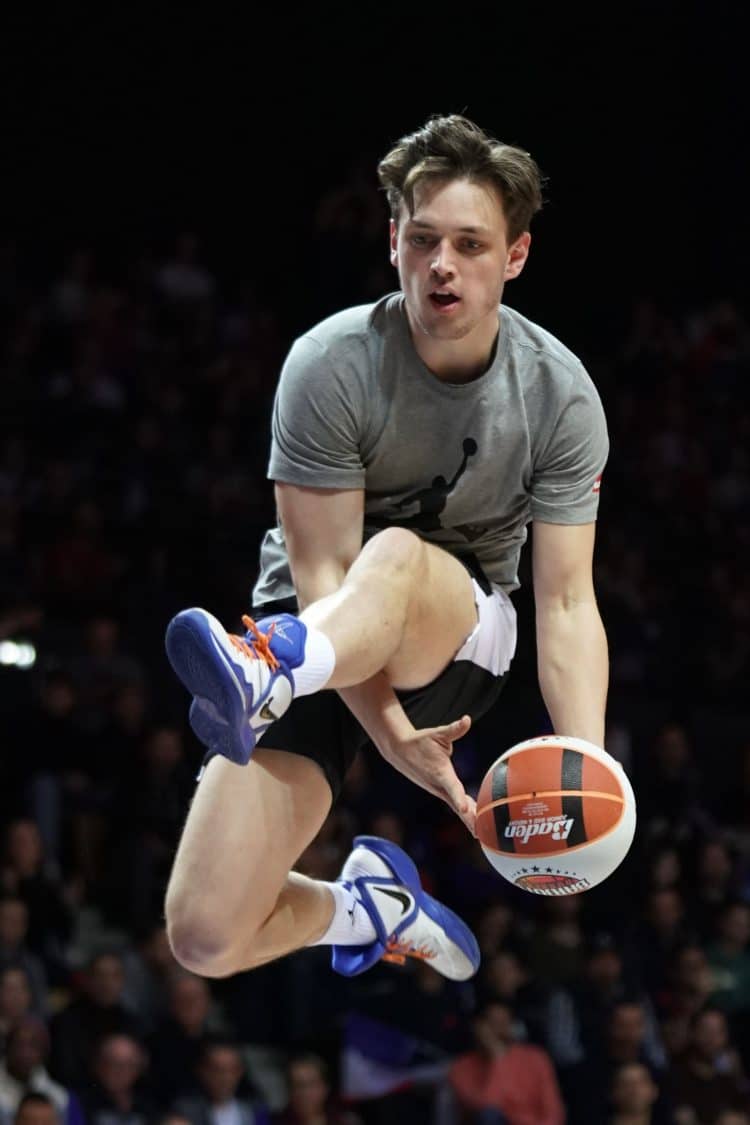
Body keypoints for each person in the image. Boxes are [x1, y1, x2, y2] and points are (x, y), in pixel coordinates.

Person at [163, 113, 610, 983]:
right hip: (317, 631)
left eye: (472, 244)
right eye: (425, 238)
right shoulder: (328, 363)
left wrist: (584, 760)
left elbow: (564, 602)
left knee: (397, 554)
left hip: (458, 633)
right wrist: (391, 733)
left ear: (514, 256)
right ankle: (369, 908)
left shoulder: (560, 395)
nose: (444, 264)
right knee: (205, 935)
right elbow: (324, 576)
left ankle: (266, 670)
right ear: (394, 239)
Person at [448, 999, 565, 1124]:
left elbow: (553, 1111)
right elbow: (487, 1106)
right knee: (489, 1115)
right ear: (478, 1027)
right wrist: (497, 1057)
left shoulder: (535, 1058)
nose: (499, 1029)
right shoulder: (461, 1067)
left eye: (504, 1022)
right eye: (493, 1023)